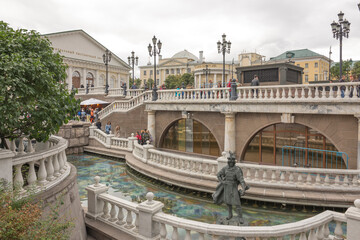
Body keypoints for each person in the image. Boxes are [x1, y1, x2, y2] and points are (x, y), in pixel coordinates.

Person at [213, 152, 249, 224]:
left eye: (232, 161)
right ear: (228, 161)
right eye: (230, 160)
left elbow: (241, 180)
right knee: (228, 202)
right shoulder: (225, 168)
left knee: (237, 203)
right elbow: (218, 174)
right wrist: (222, 182)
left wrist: (243, 188)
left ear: (234, 162)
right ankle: (230, 215)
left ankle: (240, 217)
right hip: (226, 187)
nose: (231, 162)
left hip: (233, 188)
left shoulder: (237, 170)